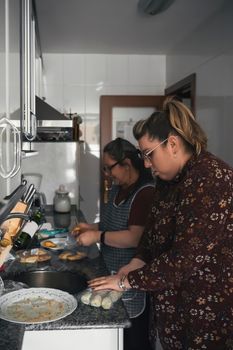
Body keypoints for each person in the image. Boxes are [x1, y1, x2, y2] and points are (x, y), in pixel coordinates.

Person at [88, 97, 233, 350]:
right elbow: (151, 236)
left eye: (148, 154)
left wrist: (125, 282)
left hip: (206, 314)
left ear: (173, 144)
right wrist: (132, 266)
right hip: (173, 310)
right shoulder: (168, 182)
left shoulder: (212, 179)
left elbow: (184, 259)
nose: (146, 164)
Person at [72, 137, 155, 350]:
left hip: (130, 281)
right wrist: (91, 227)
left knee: (132, 341)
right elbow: (114, 223)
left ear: (126, 164)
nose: (107, 175)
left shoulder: (145, 193)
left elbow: (134, 237)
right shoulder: (119, 188)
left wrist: (97, 236)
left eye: (109, 168)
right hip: (111, 272)